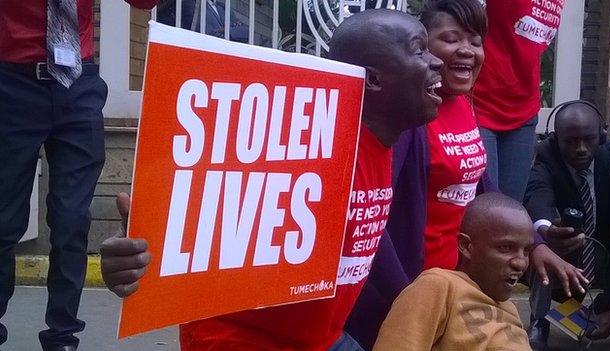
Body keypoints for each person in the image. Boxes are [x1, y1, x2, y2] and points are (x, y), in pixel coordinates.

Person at [100, 9, 444, 350]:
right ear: (374, 79)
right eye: (419, 50)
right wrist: (138, 255)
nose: (436, 61)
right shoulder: (300, 145)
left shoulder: (388, 140)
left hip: (321, 340)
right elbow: (202, 212)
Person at [346, 2, 584, 349]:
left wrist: (536, 246)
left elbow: (485, 190)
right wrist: (413, 298)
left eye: (475, 41)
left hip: (453, 292)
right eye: (451, 39)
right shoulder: (410, 115)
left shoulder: (462, 105)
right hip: (410, 297)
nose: (467, 51)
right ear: (423, 49)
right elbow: (373, 224)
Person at [0, 1, 159, 350]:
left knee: (72, 220)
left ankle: (63, 337)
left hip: (78, 84)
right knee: (3, 222)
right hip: (12, 85)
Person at [373, 192, 533, 350]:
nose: (520, 263)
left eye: (526, 250)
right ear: (465, 246)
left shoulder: (509, 308)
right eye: (505, 248)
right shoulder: (439, 286)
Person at [524, 100, 610, 349]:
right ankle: (538, 319)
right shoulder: (545, 156)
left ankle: (609, 306)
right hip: (566, 258)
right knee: (541, 246)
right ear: (556, 138)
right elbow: (537, 192)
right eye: (570, 141)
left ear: (601, 136)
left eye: (588, 139)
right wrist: (545, 228)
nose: (580, 148)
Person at [473, 0, 565, 202]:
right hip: (479, 104)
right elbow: (462, 24)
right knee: (485, 210)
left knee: (510, 214)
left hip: (523, 108)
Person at [157, 0, 249, 43]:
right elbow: (207, 33)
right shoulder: (189, 2)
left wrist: (226, 32)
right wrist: (231, 32)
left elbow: (246, 33)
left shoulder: (224, 8)